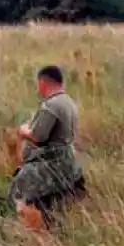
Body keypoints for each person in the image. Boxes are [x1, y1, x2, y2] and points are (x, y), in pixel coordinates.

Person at [9, 65, 86, 229]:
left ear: (43, 82)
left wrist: (23, 131)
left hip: (53, 164)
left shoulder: (51, 106)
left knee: (20, 185)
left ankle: (29, 228)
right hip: (69, 162)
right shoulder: (68, 102)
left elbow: (38, 137)